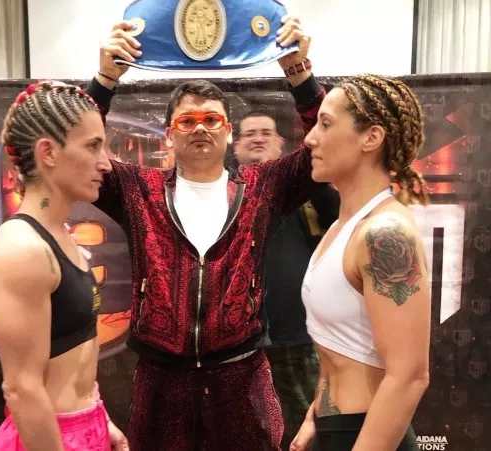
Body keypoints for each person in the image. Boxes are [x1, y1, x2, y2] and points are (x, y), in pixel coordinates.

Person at [85, 16, 328, 450]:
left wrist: (298, 72)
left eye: (212, 119)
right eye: (187, 121)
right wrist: (105, 80)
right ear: (169, 135)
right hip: (161, 381)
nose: (200, 127)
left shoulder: (263, 187)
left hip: (242, 378)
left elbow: (322, 148)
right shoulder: (137, 189)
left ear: (228, 131)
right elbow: (78, 151)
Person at [0, 81, 128, 450]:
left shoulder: (59, 235)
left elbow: (76, 349)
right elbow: (22, 388)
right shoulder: (23, 250)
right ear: (48, 152)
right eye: (92, 146)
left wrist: (101, 421)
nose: (106, 163)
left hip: (85, 427)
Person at [290, 74, 431, 451]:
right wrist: (316, 414)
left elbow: (409, 376)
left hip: (365, 434)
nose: (310, 138)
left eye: (326, 124)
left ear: (371, 137)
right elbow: (339, 345)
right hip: (335, 428)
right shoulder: (343, 226)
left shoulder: (386, 233)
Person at [233, 110, 340, 449]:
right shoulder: (222, 192)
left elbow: (338, 216)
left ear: (280, 143)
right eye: (249, 133)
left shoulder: (307, 187)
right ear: (235, 147)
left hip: (298, 336)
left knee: (310, 431)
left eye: (266, 132)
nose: (258, 138)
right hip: (239, 344)